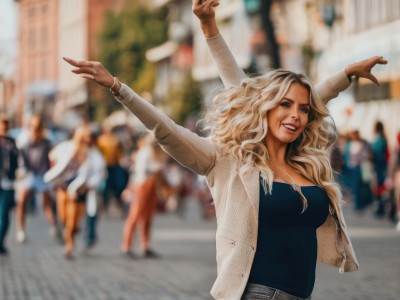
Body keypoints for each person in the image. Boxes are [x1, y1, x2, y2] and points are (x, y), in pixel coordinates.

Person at [63, 10, 386, 299]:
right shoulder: (227, 161)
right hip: (258, 293)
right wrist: (119, 88)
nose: (296, 116)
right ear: (265, 109)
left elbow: (307, 100)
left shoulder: (302, 162)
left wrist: (345, 76)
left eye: (303, 110)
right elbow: (166, 129)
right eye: (285, 105)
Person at [44, 123, 105, 258]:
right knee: (64, 218)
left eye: (89, 137)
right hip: (63, 187)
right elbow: (52, 155)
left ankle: (69, 245)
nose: (88, 140)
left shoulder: (93, 153)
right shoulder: (67, 147)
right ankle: (69, 234)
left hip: (79, 190)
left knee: (72, 221)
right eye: (85, 137)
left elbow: (99, 172)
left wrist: (88, 185)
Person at [120, 133, 167, 258]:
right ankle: (127, 245)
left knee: (148, 217)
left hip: (149, 185)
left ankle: (145, 245)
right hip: (143, 185)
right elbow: (142, 170)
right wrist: (158, 168)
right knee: (135, 216)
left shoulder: (151, 152)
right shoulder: (145, 152)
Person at [16, 115, 56, 243]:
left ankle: (53, 226)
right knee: (22, 201)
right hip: (30, 175)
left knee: (47, 203)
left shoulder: (47, 142)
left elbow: (52, 159)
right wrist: (22, 171)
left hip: (43, 175)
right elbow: (21, 160)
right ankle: (21, 230)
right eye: (33, 126)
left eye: (38, 126)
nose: (35, 129)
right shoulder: (25, 141)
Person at [0, 117, 19, 255]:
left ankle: (1, 241)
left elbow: (17, 160)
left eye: (6, 125)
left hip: (8, 182)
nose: (4, 127)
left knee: (4, 214)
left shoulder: (12, 142)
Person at [370, 121, 389, 217]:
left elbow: (375, 152)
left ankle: (380, 208)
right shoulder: (383, 138)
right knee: (380, 187)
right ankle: (380, 207)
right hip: (382, 166)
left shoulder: (378, 139)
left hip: (378, 166)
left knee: (378, 187)